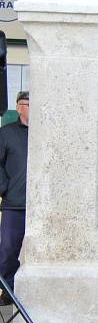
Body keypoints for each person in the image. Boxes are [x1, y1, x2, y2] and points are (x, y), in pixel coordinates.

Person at [0, 91, 29, 305]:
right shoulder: (6, 133)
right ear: (19, 107)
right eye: (28, 104)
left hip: (41, 206)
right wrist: (5, 188)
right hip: (15, 204)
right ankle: (6, 293)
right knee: (9, 250)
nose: (32, 108)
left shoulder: (44, 133)